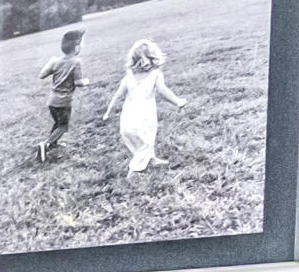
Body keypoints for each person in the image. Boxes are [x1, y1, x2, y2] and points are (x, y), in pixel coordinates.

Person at [104, 39, 185, 175]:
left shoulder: (128, 77)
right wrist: (178, 101)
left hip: (127, 118)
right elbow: (163, 91)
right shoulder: (155, 75)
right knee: (146, 143)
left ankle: (151, 159)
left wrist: (108, 112)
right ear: (154, 57)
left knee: (140, 142)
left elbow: (117, 96)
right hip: (144, 117)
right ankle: (133, 172)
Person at [33, 28, 85, 161]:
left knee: (57, 123)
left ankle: (53, 144)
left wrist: (51, 62)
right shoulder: (76, 62)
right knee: (63, 126)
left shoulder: (55, 61)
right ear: (77, 46)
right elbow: (78, 83)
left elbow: (41, 75)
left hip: (52, 102)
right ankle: (45, 144)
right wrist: (86, 81)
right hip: (64, 102)